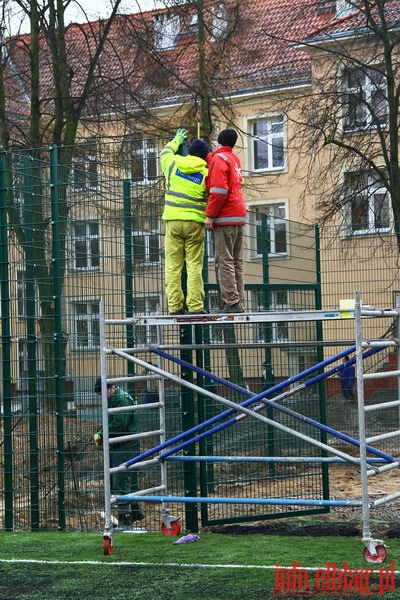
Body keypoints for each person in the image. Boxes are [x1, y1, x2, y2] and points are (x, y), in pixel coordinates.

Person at [160, 128, 209, 315]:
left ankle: (175, 307)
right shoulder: (206, 173)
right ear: (205, 157)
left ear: (189, 152)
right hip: (194, 224)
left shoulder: (173, 164)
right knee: (194, 266)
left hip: (173, 221)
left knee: (173, 266)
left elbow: (165, 152)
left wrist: (176, 140)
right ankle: (196, 307)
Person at [93, 378, 145, 530]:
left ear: (110, 388)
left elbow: (119, 423)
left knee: (120, 479)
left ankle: (125, 520)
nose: (101, 397)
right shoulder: (116, 399)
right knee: (118, 478)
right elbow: (114, 421)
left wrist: (102, 434)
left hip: (125, 444)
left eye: (102, 393)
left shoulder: (121, 400)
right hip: (119, 444)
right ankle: (135, 512)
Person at [205, 128, 247, 313]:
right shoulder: (234, 159)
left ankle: (231, 302)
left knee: (224, 261)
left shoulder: (218, 159)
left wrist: (210, 215)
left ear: (218, 142)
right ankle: (239, 301)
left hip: (225, 216)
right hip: (239, 214)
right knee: (236, 260)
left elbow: (219, 191)